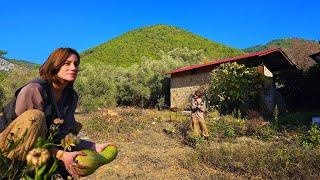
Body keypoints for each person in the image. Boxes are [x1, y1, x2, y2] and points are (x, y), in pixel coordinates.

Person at [0, 47, 112, 178]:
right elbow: (29, 136)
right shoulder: (34, 89)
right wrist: (61, 155)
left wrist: (93, 146)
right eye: (67, 63)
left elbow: (65, 133)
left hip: (43, 146)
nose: (73, 68)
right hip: (9, 146)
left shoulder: (71, 96)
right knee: (35, 117)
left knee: (74, 127)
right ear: (55, 65)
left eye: (76, 64)